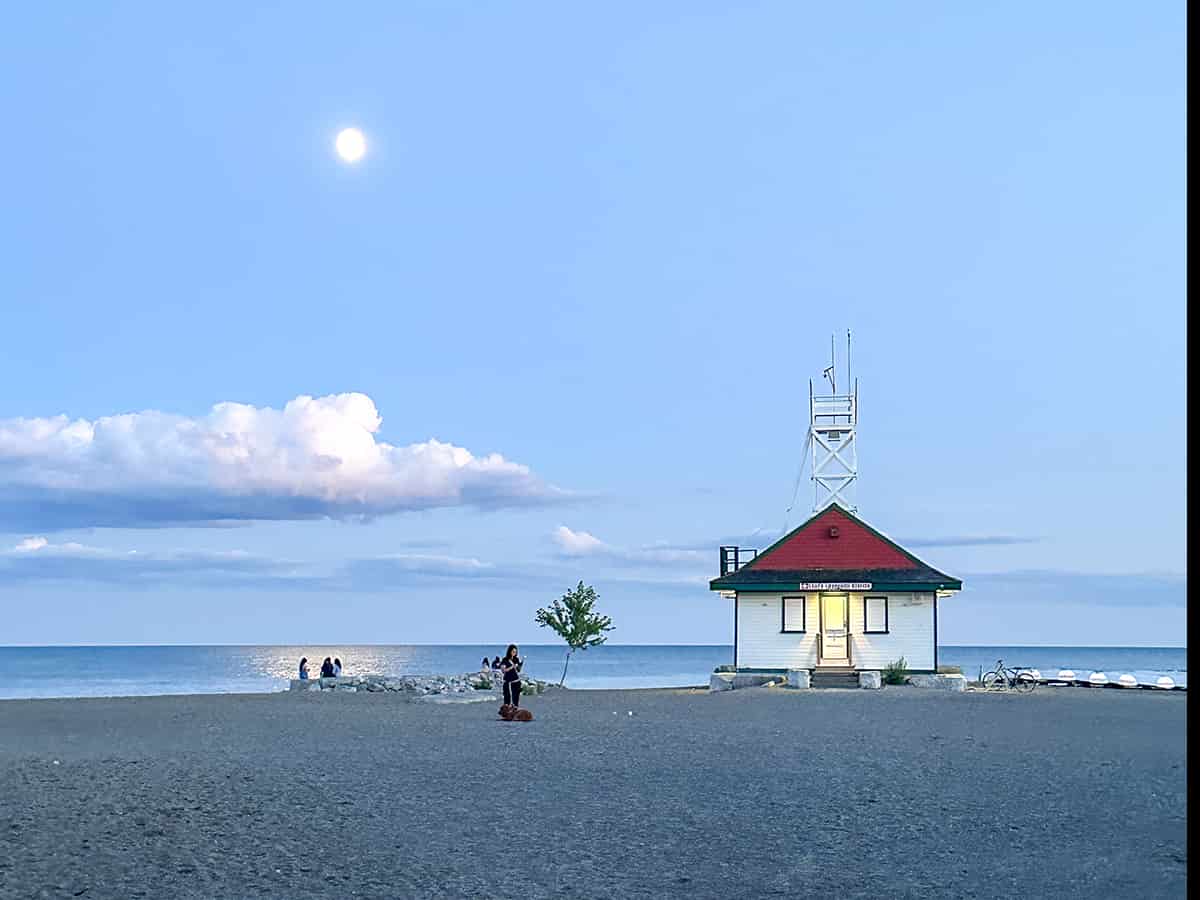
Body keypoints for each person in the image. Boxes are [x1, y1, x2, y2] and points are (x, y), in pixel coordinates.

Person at [499, 644, 523, 708]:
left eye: (515, 652)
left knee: (516, 699)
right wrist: (512, 666)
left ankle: (515, 710)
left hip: (516, 681)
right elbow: (503, 670)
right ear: (509, 651)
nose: (514, 653)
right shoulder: (505, 659)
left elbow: (518, 671)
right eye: (513, 651)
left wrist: (520, 665)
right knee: (507, 699)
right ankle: (507, 712)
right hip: (508, 682)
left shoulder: (516, 659)